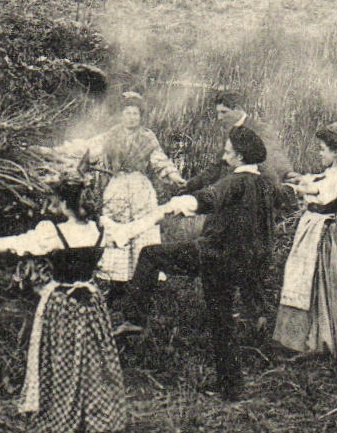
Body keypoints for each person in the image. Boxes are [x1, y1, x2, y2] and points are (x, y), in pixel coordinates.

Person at [0, 179, 167, 433]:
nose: (50, 206)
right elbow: (135, 229)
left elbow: (12, 244)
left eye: (54, 200)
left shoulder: (52, 232)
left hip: (62, 307)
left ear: (63, 203)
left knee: (62, 368)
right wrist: (165, 211)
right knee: (95, 367)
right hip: (92, 306)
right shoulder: (101, 229)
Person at [116, 126, 277, 402]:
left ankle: (134, 318)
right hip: (240, 262)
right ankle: (231, 388)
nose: (224, 152)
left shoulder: (235, 181)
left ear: (238, 156)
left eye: (228, 150)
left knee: (150, 254)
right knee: (221, 320)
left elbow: (208, 198)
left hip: (213, 255)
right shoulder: (263, 184)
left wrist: (176, 205)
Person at [58, 92, 186, 289]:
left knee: (142, 228)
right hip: (116, 187)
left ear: (140, 116)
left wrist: (175, 176)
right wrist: (67, 156)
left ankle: (142, 274)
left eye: (135, 114)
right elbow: (89, 149)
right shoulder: (111, 135)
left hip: (140, 189)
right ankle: (115, 278)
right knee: (115, 227)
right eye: (127, 113)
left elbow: (160, 161)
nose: (131, 117)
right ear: (121, 115)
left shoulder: (147, 137)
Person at [274, 122, 337, 359]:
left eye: (323, 149)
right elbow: (313, 181)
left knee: (318, 282)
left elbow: (321, 196)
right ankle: (302, 339)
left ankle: (321, 339)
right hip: (311, 228)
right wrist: (299, 182)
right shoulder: (328, 173)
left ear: (336, 153)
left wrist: (299, 189)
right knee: (302, 279)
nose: (320, 153)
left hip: (322, 234)